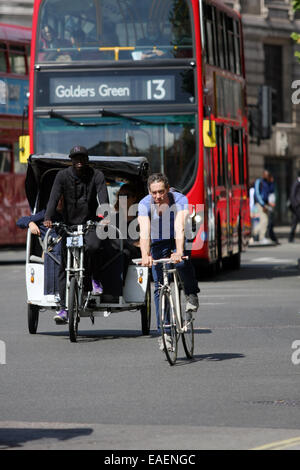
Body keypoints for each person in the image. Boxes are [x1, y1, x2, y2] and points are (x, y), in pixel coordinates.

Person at [44, 145, 109, 324]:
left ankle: (94, 278)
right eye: (75, 158)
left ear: (87, 159)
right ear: (71, 160)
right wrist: (48, 217)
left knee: (94, 246)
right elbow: (54, 197)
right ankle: (64, 308)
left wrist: (106, 216)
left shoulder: (96, 175)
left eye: (82, 158)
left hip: (89, 223)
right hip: (68, 225)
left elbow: (103, 197)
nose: (79, 161)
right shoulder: (62, 176)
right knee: (63, 263)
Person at [138, 173, 199, 350]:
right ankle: (164, 332)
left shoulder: (179, 199)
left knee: (180, 263)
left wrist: (178, 252)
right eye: (154, 192)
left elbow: (179, 227)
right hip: (158, 238)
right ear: (149, 191)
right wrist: (145, 254)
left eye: (161, 192)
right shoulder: (144, 204)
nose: (158, 196)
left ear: (168, 188)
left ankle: (191, 293)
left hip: (180, 234)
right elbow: (144, 232)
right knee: (158, 286)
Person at [16, 202, 63, 296]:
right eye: (58, 199)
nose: (60, 202)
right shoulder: (46, 214)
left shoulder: (72, 213)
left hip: (71, 249)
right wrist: (30, 223)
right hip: (53, 251)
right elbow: (20, 221)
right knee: (56, 251)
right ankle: (55, 293)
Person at [252, 169, 272, 244]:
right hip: (260, 204)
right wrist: (262, 204)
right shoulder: (259, 181)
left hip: (264, 204)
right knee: (263, 220)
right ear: (263, 174)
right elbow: (257, 193)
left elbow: (269, 192)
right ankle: (259, 236)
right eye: (266, 175)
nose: (267, 176)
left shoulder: (266, 182)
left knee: (264, 221)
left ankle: (257, 235)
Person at [289, 170, 300, 242]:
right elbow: (292, 195)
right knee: (295, 222)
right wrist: (295, 205)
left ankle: (291, 237)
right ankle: (291, 237)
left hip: (298, 206)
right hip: (297, 206)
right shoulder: (296, 183)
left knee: (295, 222)